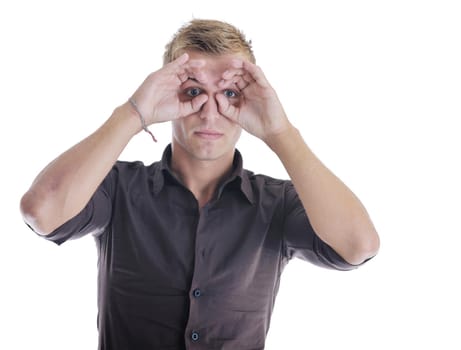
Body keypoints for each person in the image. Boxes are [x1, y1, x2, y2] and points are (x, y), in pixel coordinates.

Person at [20, 19, 380, 350]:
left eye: (230, 94)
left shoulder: (278, 204)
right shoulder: (117, 188)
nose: (210, 113)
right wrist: (133, 113)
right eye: (193, 92)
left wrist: (280, 133)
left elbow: (358, 244)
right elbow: (42, 210)